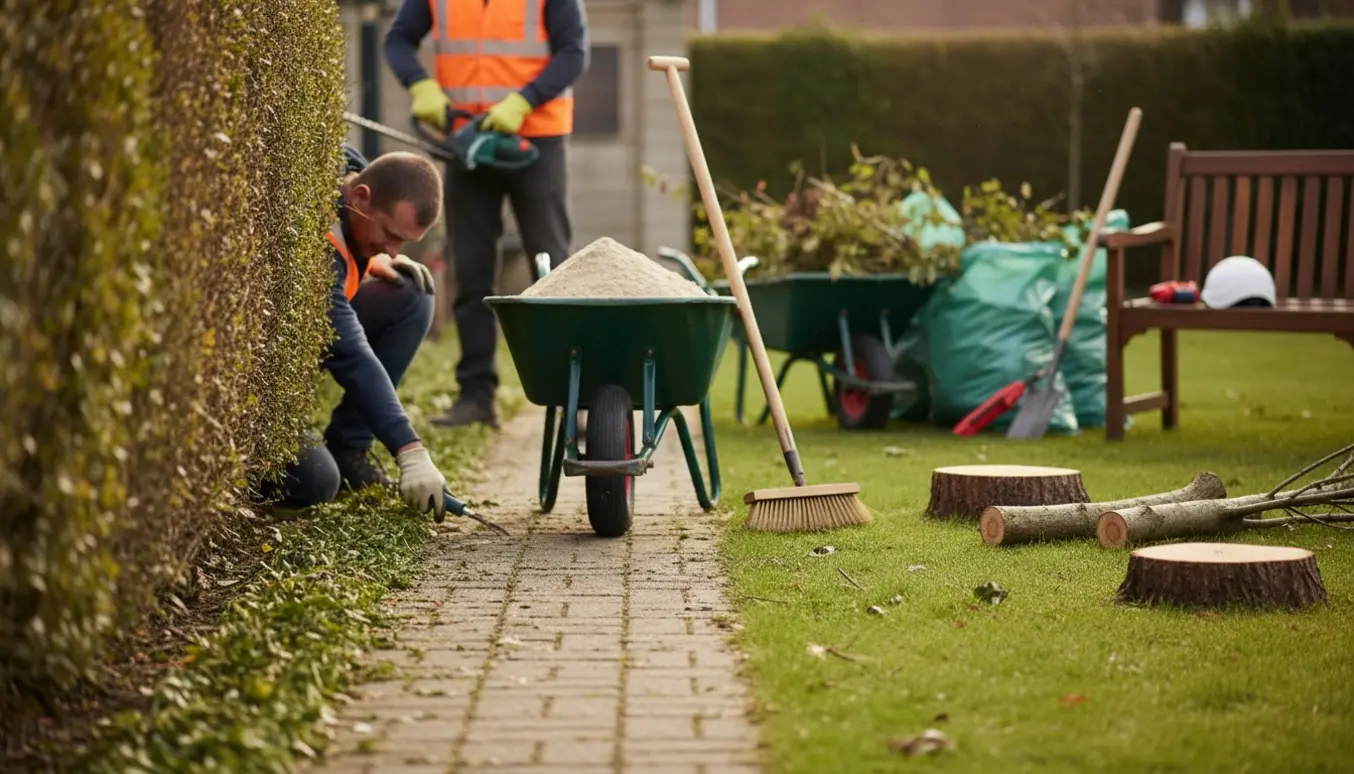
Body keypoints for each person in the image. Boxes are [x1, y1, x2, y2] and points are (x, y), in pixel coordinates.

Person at [383, 0, 589, 430]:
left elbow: (573, 52)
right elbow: (398, 39)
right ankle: (476, 397)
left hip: (536, 140)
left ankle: (581, 397)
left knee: (552, 268)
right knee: (471, 271)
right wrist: (420, 84)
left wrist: (524, 100)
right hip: (467, 142)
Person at [257, 146, 453, 521]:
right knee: (315, 481)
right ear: (360, 197)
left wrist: (375, 255)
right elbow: (354, 356)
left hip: (315, 340)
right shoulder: (316, 250)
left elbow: (343, 154)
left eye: (404, 243)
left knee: (414, 292)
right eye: (390, 234)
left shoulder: (355, 178)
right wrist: (410, 451)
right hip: (261, 390)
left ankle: (350, 446)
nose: (395, 252)